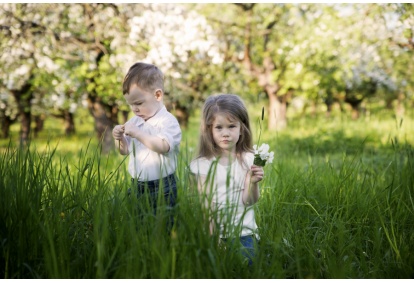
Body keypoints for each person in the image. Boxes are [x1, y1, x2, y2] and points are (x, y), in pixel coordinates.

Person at [189, 93, 264, 266]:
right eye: (219, 127)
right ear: (209, 129)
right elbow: (205, 208)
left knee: (247, 265)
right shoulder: (203, 165)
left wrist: (252, 183)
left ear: (242, 128)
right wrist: (214, 241)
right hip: (215, 233)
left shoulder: (249, 159)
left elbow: (249, 201)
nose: (225, 133)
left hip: (245, 232)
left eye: (231, 126)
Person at [112, 62, 182, 227]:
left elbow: (163, 146)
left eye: (139, 103)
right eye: (131, 104)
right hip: (137, 184)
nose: (134, 109)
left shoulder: (167, 121)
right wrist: (119, 138)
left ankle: (167, 247)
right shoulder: (135, 121)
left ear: (157, 95)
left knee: (165, 223)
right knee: (139, 223)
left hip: (163, 186)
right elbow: (124, 151)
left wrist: (138, 133)